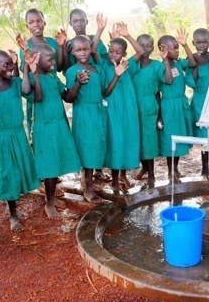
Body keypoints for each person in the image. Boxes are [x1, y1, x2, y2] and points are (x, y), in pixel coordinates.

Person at [0, 50, 39, 232]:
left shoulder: (17, 82)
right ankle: (12, 214)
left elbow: (27, 91)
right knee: (7, 173)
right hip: (2, 137)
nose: (10, 67)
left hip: (19, 135)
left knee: (20, 169)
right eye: (6, 65)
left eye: (11, 63)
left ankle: (16, 205)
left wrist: (25, 66)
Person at [22, 44, 81, 219]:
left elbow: (68, 97)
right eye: (50, 59)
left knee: (56, 163)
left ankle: (52, 198)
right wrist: (29, 70)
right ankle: (49, 203)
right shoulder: (32, 80)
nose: (54, 63)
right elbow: (35, 96)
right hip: (44, 126)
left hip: (58, 125)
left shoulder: (52, 77)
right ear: (38, 61)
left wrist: (78, 83)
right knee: (49, 165)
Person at [94, 21, 144, 193]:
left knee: (127, 139)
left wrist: (127, 35)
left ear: (124, 53)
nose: (113, 55)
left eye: (118, 52)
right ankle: (114, 179)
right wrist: (99, 30)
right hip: (113, 110)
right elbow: (106, 93)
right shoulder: (103, 66)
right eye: (111, 51)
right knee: (116, 141)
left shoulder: (127, 64)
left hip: (128, 109)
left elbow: (141, 51)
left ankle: (123, 174)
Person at [64, 20, 109, 204]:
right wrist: (77, 83)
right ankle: (88, 190)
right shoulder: (72, 71)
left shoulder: (97, 68)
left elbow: (104, 91)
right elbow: (69, 98)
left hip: (98, 111)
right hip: (84, 113)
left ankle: (88, 181)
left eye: (85, 49)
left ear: (91, 48)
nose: (82, 52)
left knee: (97, 145)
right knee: (87, 147)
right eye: (78, 50)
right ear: (73, 52)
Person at [16, 9, 66, 137]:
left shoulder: (52, 42)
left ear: (45, 23)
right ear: (27, 26)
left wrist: (61, 47)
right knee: (39, 125)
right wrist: (26, 51)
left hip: (53, 87)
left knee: (58, 124)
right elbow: (24, 70)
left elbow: (59, 68)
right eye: (31, 22)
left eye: (39, 21)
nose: (36, 24)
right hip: (36, 87)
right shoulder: (26, 45)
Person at [157, 31, 197, 183]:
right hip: (168, 106)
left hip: (181, 104)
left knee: (179, 138)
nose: (176, 51)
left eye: (177, 48)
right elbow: (167, 82)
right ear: (163, 49)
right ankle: (170, 172)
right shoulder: (160, 67)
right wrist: (166, 60)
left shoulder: (180, 64)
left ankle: (176, 168)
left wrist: (185, 45)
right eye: (173, 48)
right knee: (170, 138)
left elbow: (193, 63)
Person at [130, 34, 163, 189]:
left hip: (150, 106)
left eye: (148, 45)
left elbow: (158, 93)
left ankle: (151, 174)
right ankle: (144, 167)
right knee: (138, 140)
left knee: (149, 141)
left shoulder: (157, 65)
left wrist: (159, 115)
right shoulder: (132, 66)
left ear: (153, 47)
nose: (145, 48)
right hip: (134, 107)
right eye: (141, 45)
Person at [190, 28, 209, 178]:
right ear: (193, 43)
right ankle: (205, 166)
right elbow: (191, 82)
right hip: (200, 102)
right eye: (198, 42)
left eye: (204, 42)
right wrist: (196, 64)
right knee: (203, 136)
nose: (201, 45)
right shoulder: (191, 59)